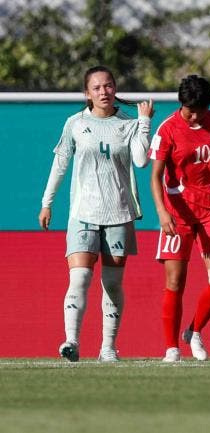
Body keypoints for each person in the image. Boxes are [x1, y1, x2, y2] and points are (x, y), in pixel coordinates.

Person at [39, 65, 154, 362]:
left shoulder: (128, 124)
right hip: (83, 213)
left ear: (115, 88)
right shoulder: (75, 123)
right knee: (79, 279)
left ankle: (107, 348)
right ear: (87, 93)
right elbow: (61, 162)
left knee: (112, 284)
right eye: (97, 87)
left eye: (108, 86)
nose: (104, 92)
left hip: (119, 213)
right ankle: (72, 342)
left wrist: (144, 123)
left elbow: (141, 161)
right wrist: (47, 201)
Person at [148, 75, 210, 362]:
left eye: (200, 111)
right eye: (190, 110)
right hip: (178, 214)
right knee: (175, 282)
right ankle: (171, 348)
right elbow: (155, 176)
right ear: (181, 105)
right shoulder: (168, 129)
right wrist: (162, 212)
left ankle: (194, 330)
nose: (195, 116)